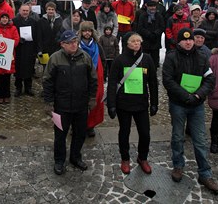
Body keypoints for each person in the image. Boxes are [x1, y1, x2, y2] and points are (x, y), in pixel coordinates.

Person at [162, 28, 218, 195]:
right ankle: (178, 166)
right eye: (184, 40)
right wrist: (185, 95)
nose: (188, 42)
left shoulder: (202, 57)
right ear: (179, 42)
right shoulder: (171, 57)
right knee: (178, 136)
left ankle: (205, 173)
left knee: (200, 139)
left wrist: (198, 95)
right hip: (178, 104)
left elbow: (210, 79)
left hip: (197, 104)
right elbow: (168, 80)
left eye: (190, 40)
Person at [42, 30, 98, 175]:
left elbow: (93, 79)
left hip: (81, 106)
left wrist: (92, 98)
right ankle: (59, 160)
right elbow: (47, 81)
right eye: (70, 42)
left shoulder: (85, 58)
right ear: (63, 44)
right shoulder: (55, 59)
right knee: (60, 135)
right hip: (61, 106)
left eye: (75, 42)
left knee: (80, 134)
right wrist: (48, 102)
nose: (74, 45)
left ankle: (75, 157)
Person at [107, 33, 158, 175]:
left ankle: (142, 157)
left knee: (145, 133)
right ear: (127, 44)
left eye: (138, 41)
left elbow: (153, 82)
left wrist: (154, 103)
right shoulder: (119, 60)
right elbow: (112, 83)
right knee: (124, 132)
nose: (136, 43)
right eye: (133, 41)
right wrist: (111, 104)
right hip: (123, 104)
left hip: (141, 104)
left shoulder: (147, 59)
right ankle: (125, 158)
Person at [78, 21, 106, 137]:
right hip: (80, 76)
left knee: (94, 101)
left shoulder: (97, 45)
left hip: (95, 76)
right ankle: (77, 125)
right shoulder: (76, 45)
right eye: (84, 31)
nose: (87, 33)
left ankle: (90, 126)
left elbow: (103, 60)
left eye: (89, 31)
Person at [0, 13, 20, 104]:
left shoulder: (13, 28)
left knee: (7, 77)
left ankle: (7, 95)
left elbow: (16, 39)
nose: (4, 19)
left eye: (6, 18)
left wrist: (8, 45)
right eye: (3, 18)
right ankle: (0, 95)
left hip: (9, 54)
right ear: (0, 19)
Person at [12, 4, 39, 97]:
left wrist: (36, 50)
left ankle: (28, 88)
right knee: (18, 69)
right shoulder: (14, 21)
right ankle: (18, 88)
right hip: (18, 49)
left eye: (27, 11)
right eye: (23, 10)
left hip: (29, 48)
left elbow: (36, 36)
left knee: (29, 68)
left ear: (29, 11)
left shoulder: (34, 22)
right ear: (19, 11)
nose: (25, 12)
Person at [136, 0, 165, 68]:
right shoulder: (143, 16)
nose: (152, 8)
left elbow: (162, 27)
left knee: (155, 61)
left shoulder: (159, 16)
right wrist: (148, 34)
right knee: (144, 61)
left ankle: (154, 75)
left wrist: (155, 33)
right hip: (145, 41)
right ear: (147, 7)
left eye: (154, 6)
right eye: (150, 6)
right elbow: (140, 27)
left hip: (155, 41)